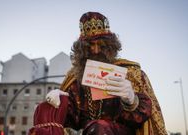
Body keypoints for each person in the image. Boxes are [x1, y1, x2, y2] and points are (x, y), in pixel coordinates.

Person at [30, 12, 167, 135]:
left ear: (110, 46)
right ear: (82, 50)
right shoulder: (75, 78)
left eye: (101, 45)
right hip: (88, 132)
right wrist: (60, 101)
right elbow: (70, 121)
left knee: (99, 127)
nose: (95, 51)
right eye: (90, 46)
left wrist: (132, 101)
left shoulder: (131, 73)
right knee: (45, 109)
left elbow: (144, 120)